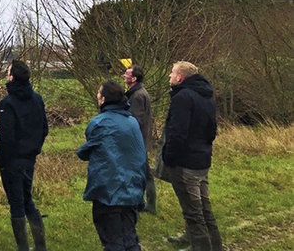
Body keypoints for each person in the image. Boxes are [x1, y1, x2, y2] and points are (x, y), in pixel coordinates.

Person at [77, 81, 147, 251]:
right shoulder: (131, 121)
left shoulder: (99, 123)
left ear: (103, 98)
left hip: (109, 190)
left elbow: (87, 149)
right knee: (129, 237)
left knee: (113, 239)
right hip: (132, 186)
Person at [163, 61, 222, 251]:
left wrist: (169, 157)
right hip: (202, 159)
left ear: (180, 77)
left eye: (172, 73)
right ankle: (213, 245)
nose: (169, 76)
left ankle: (202, 247)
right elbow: (212, 130)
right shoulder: (207, 96)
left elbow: (177, 132)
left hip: (185, 163)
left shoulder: (183, 97)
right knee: (204, 209)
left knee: (193, 212)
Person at [0, 60, 48, 251]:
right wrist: (34, 148)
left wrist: (1, 160)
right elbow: (44, 129)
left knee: (16, 203)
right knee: (27, 199)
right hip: (29, 158)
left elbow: (6, 137)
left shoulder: (7, 103)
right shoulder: (37, 99)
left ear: (11, 77)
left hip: (12, 160)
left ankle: (23, 247)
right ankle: (40, 245)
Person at [123, 65, 156, 214]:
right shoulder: (140, 92)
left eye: (127, 74)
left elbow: (135, 121)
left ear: (134, 78)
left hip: (137, 142)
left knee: (138, 174)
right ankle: (149, 205)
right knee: (145, 173)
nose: (124, 76)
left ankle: (140, 206)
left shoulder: (136, 96)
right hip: (142, 140)